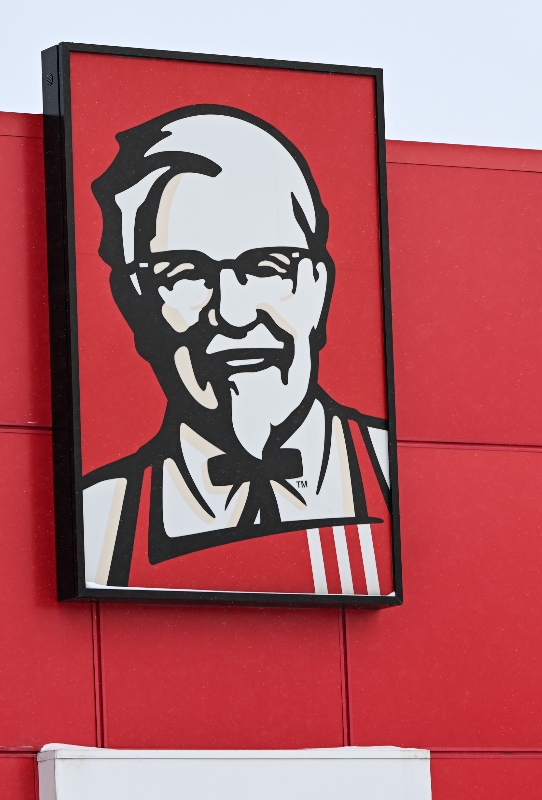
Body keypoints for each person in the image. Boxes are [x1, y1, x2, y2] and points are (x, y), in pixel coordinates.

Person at [79, 105, 392, 597]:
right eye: (184, 274)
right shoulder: (96, 525)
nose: (233, 313)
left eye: (267, 266)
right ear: (135, 305)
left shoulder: (397, 478)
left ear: (317, 287)